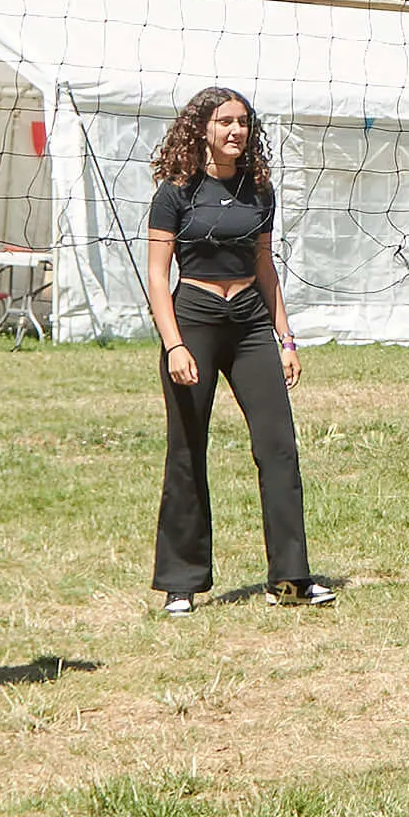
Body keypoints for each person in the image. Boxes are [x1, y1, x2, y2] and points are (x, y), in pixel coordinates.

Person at [145, 85, 319, 614]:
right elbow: (157, 276)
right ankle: (182, 581)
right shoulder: (175, 192)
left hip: (248, 323)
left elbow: (265, 265)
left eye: (243, 122)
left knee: (278, 447)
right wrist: (174, 344)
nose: (236, 131)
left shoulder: (258, 189)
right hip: (194, 319)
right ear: (202, 128)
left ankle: (290, 578)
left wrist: (284, 338)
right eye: (225, 122)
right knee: (186, 450)